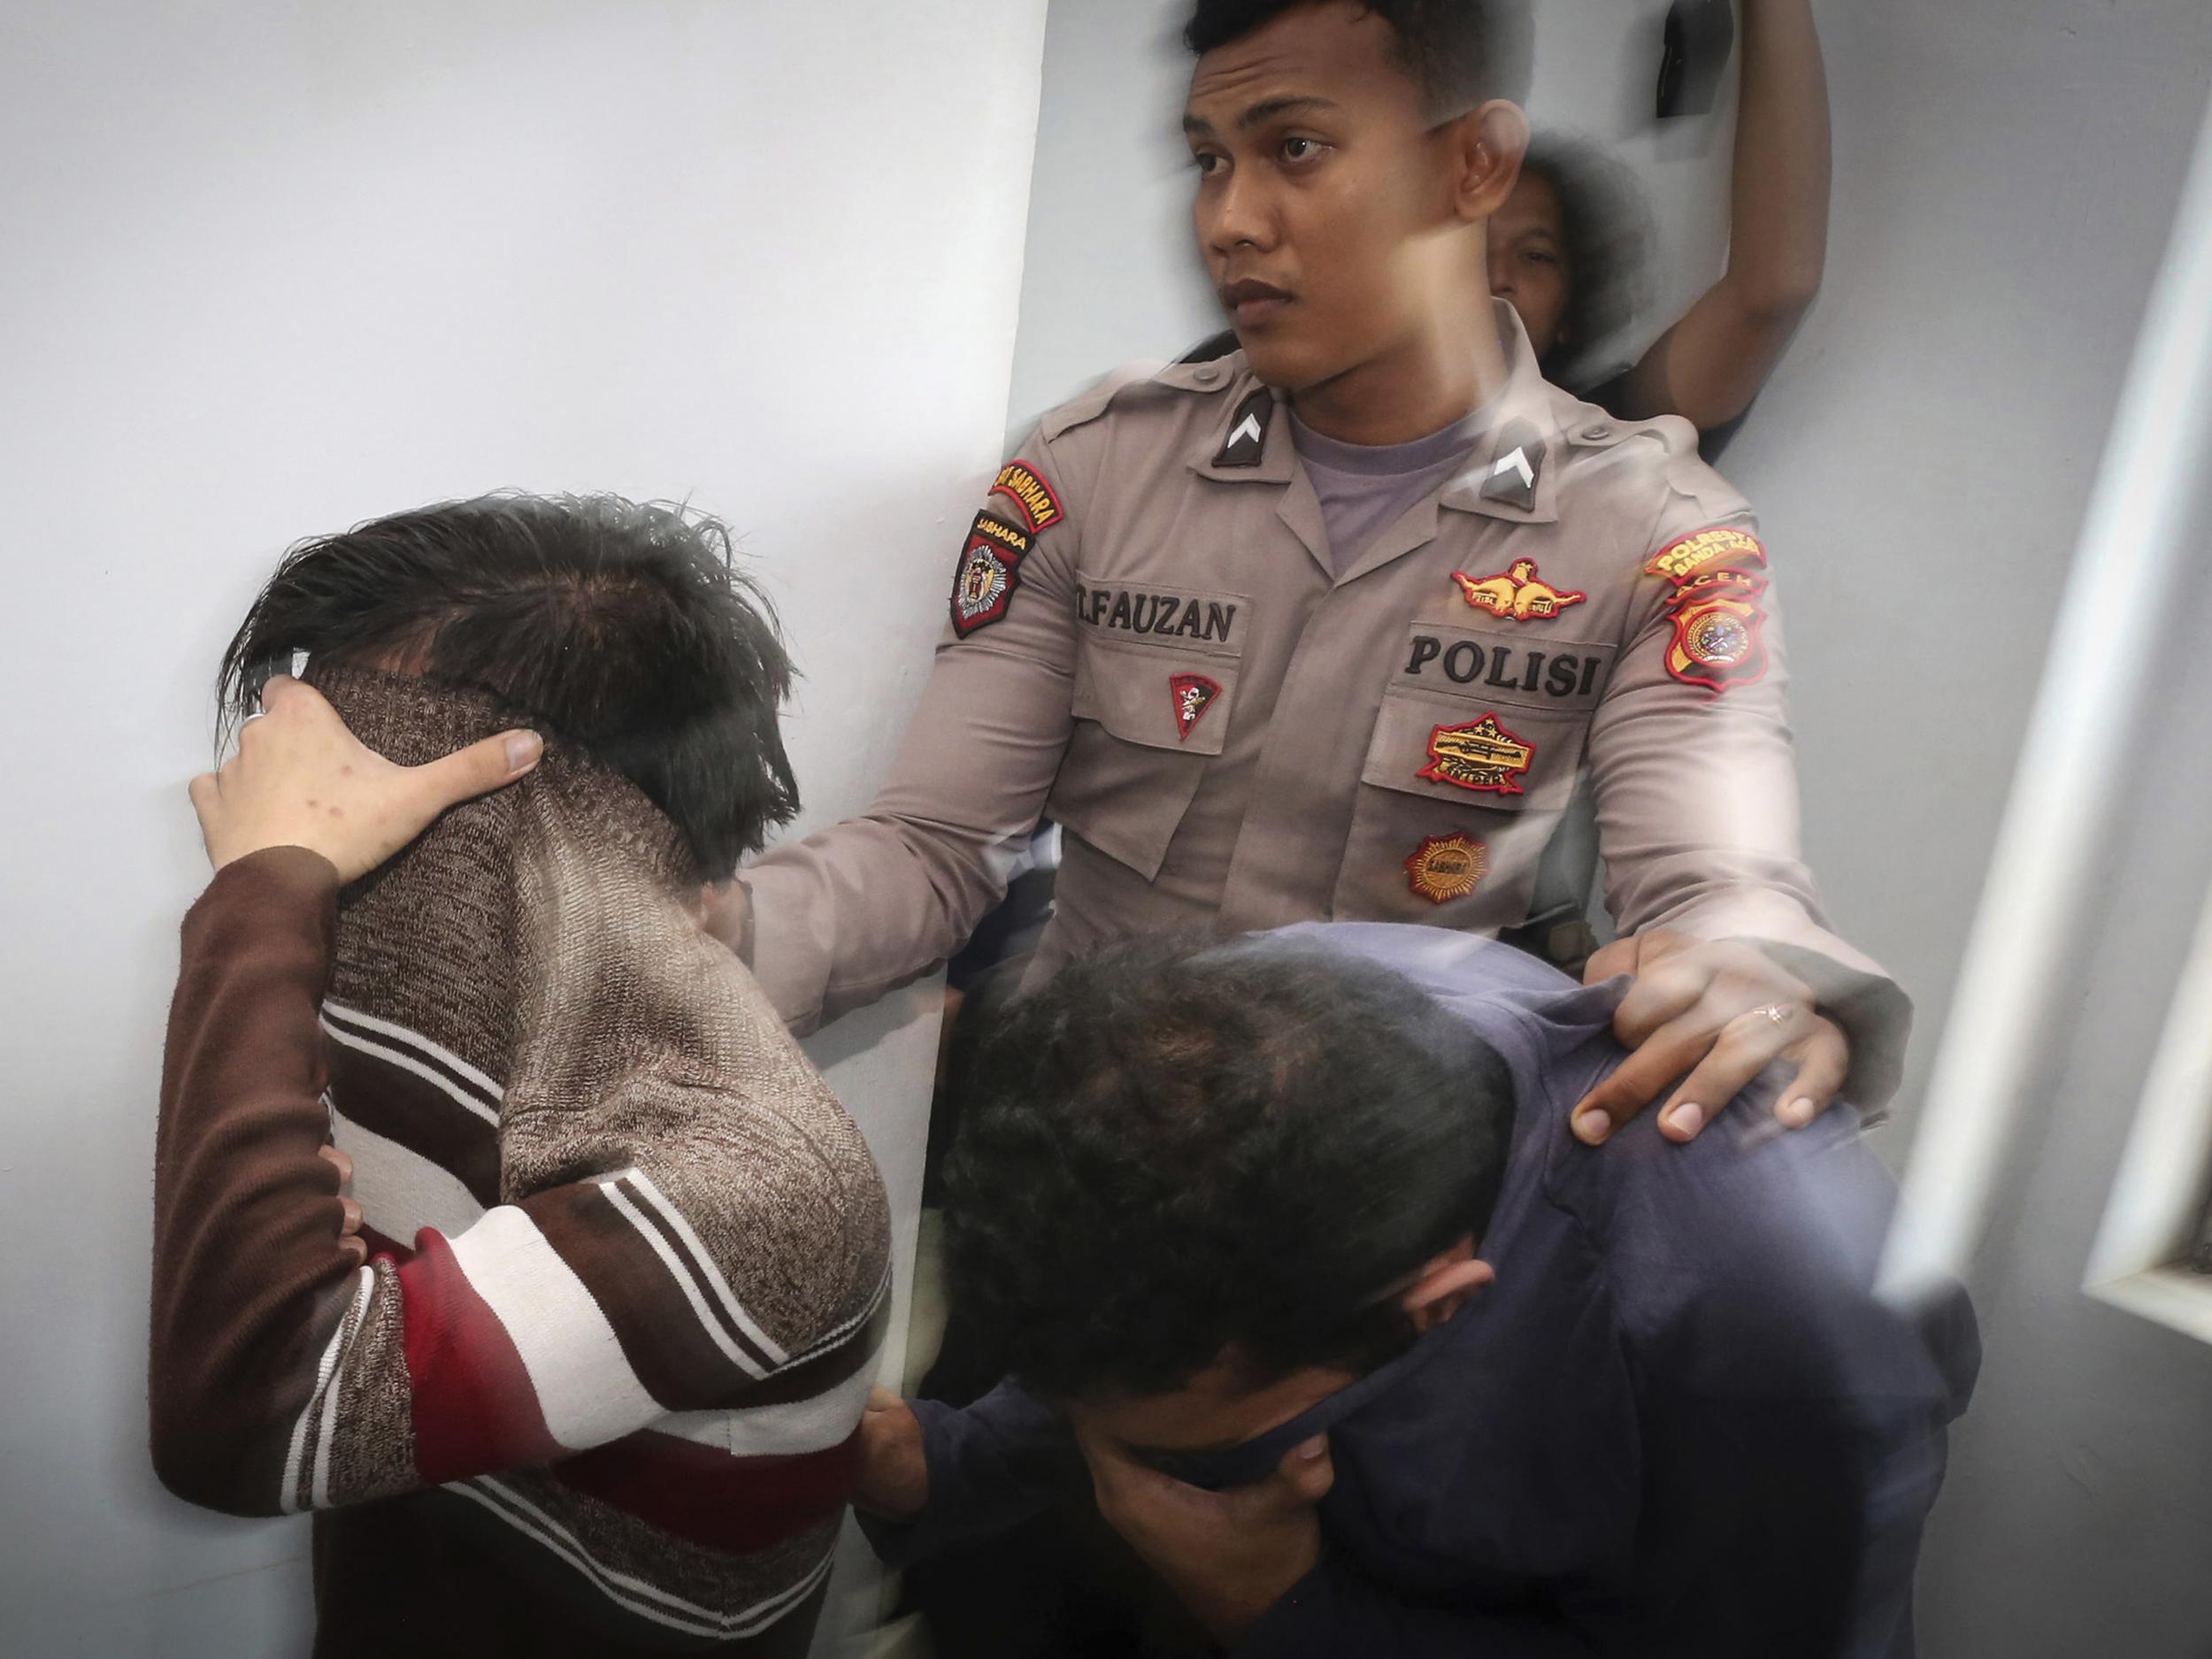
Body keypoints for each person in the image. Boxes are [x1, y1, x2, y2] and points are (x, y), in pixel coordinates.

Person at [717, 0, 1905, 1148]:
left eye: (1294, 147)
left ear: (1475, 166)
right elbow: (933, 847)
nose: (1230, 220)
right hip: (1067, 1158)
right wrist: (689, 942)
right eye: (1207, 160)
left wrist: (1745, 969)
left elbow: (1716, 878)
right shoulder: (1095, 469)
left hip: (1379, 1213)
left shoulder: (1652, 529)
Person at [150, 495, 892, 1658]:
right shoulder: (413, 1006)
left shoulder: (746, 1177)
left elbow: (260, 1411)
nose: (282, 791)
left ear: (513, 800)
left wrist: (264, 884)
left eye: (338, 765)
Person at [856, 926, 1978, 1656]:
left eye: (1189, 1453)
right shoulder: (1221, 1034)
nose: (1127, 1481)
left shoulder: (1787, 1345)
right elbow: (1137, 1335)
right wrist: (946, 1460)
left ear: (1435, 1304)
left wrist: (1285, 1607)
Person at [1493, 0, 1832, 457]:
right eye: (1467, 250)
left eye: (1536, 255)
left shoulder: (1601, 442)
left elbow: (1770, 288)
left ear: (1568, 318)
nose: (1497, 276)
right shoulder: (1361, 421)